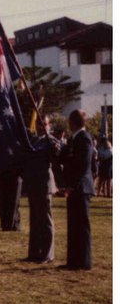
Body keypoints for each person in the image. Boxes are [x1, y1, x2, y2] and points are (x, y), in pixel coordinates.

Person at [21, 115, 61, 264]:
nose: (40, 126)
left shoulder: (52, 141)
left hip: (44, 184)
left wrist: (55, 148)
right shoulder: (34, 140)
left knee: (45, 220)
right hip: (33, 184)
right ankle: (34, 253)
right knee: (35, 220)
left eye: (44, 124)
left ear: (49, 125)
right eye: (38, 123)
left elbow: (57, 155)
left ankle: (47, 254)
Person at [60, 109, 94, 270]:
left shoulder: (84, 138)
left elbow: (83, 165)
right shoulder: (73, 138)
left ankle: (84, 261)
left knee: (81, 225)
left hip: (81, 187)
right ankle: (73, 261)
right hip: (74, 187)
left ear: (72, 122)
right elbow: (66, 159)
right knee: (73, 225)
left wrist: (72, 185)